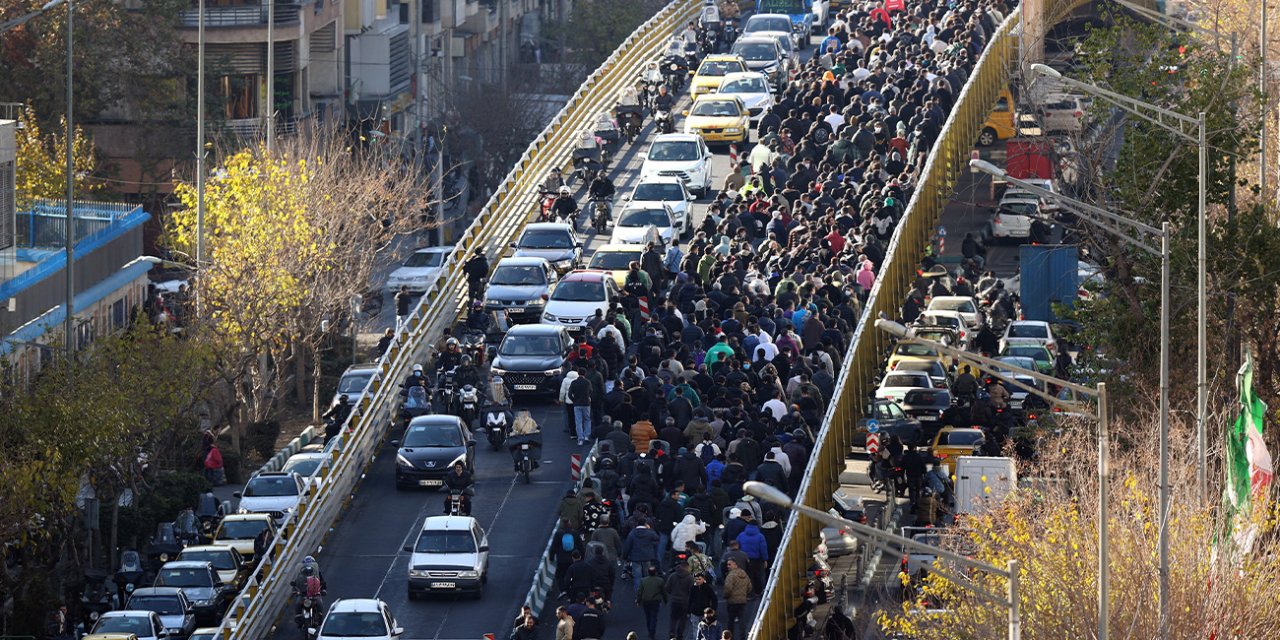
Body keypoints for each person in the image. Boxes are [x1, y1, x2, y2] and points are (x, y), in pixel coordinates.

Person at [722, 557, 751, 638]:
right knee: (742, 621)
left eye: (729, 564)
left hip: (732, 602)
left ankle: (730, 637)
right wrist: (744, 594)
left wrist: (726, 596)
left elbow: (728, 588)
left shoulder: (730, 575)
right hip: (742, 601)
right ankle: (743, 637)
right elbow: (749, 587)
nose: (728, 566)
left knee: (730, 621)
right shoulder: (744, 574)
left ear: (735, 564)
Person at [665, 560, 695, 640]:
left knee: (673, 617)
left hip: (674, 600)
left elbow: (667, 588)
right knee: (683, 619)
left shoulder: (673, 575)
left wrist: (673, 593)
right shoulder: (690, 578)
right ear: (687, 567)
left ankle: (671, 633)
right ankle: (679, 635)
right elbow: (692, 591)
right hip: (685, 602)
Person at [636, 565, 667, 640]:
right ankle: (652, 632)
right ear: (655, 572)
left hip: (646, 601)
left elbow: (639, 592)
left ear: (648, 572)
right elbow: (663, 592)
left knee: (648, 616)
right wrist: (666, 600)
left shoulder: (643, 580)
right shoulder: (660, 581)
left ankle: (649, 629)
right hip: (655, 601)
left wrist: (638, 601)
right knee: (654, 616)